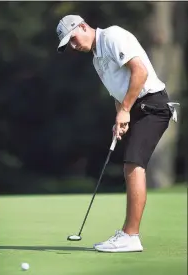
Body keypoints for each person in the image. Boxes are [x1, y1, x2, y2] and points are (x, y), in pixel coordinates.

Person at [56, 15, 179, 253]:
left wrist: (125, 110)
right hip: (136, 109)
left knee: (134, 165)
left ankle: (131, 236)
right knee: (130, 165)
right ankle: (128, 234)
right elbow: (117, 91)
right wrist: (120, 118)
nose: (73, 46)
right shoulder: (96, 59)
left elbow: (140, 72)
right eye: (68, 45)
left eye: (72, 39)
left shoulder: (112, 36)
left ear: (83, 26)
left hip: (153, 105)